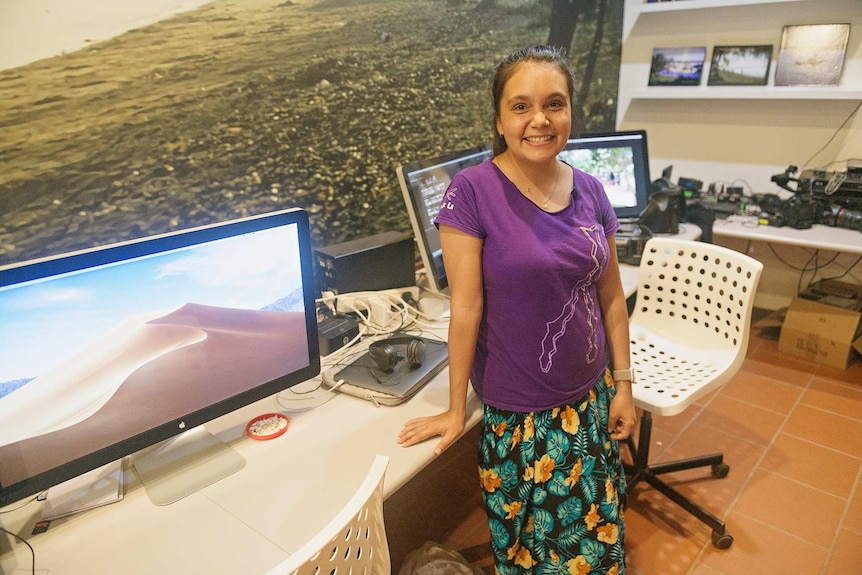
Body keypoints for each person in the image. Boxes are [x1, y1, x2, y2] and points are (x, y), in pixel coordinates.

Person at [397, 44, 636, 574]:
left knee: (596, 545)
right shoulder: (471, 194)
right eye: (521, 106)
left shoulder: (592, 190)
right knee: (537, 556)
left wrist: (623, 385)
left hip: (592, 400)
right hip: (526, 418)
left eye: (555, 104)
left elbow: (611, 295)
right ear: (501, 120)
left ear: (571, 112)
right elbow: (465, 309)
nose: (540, 120)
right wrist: (456, 409)